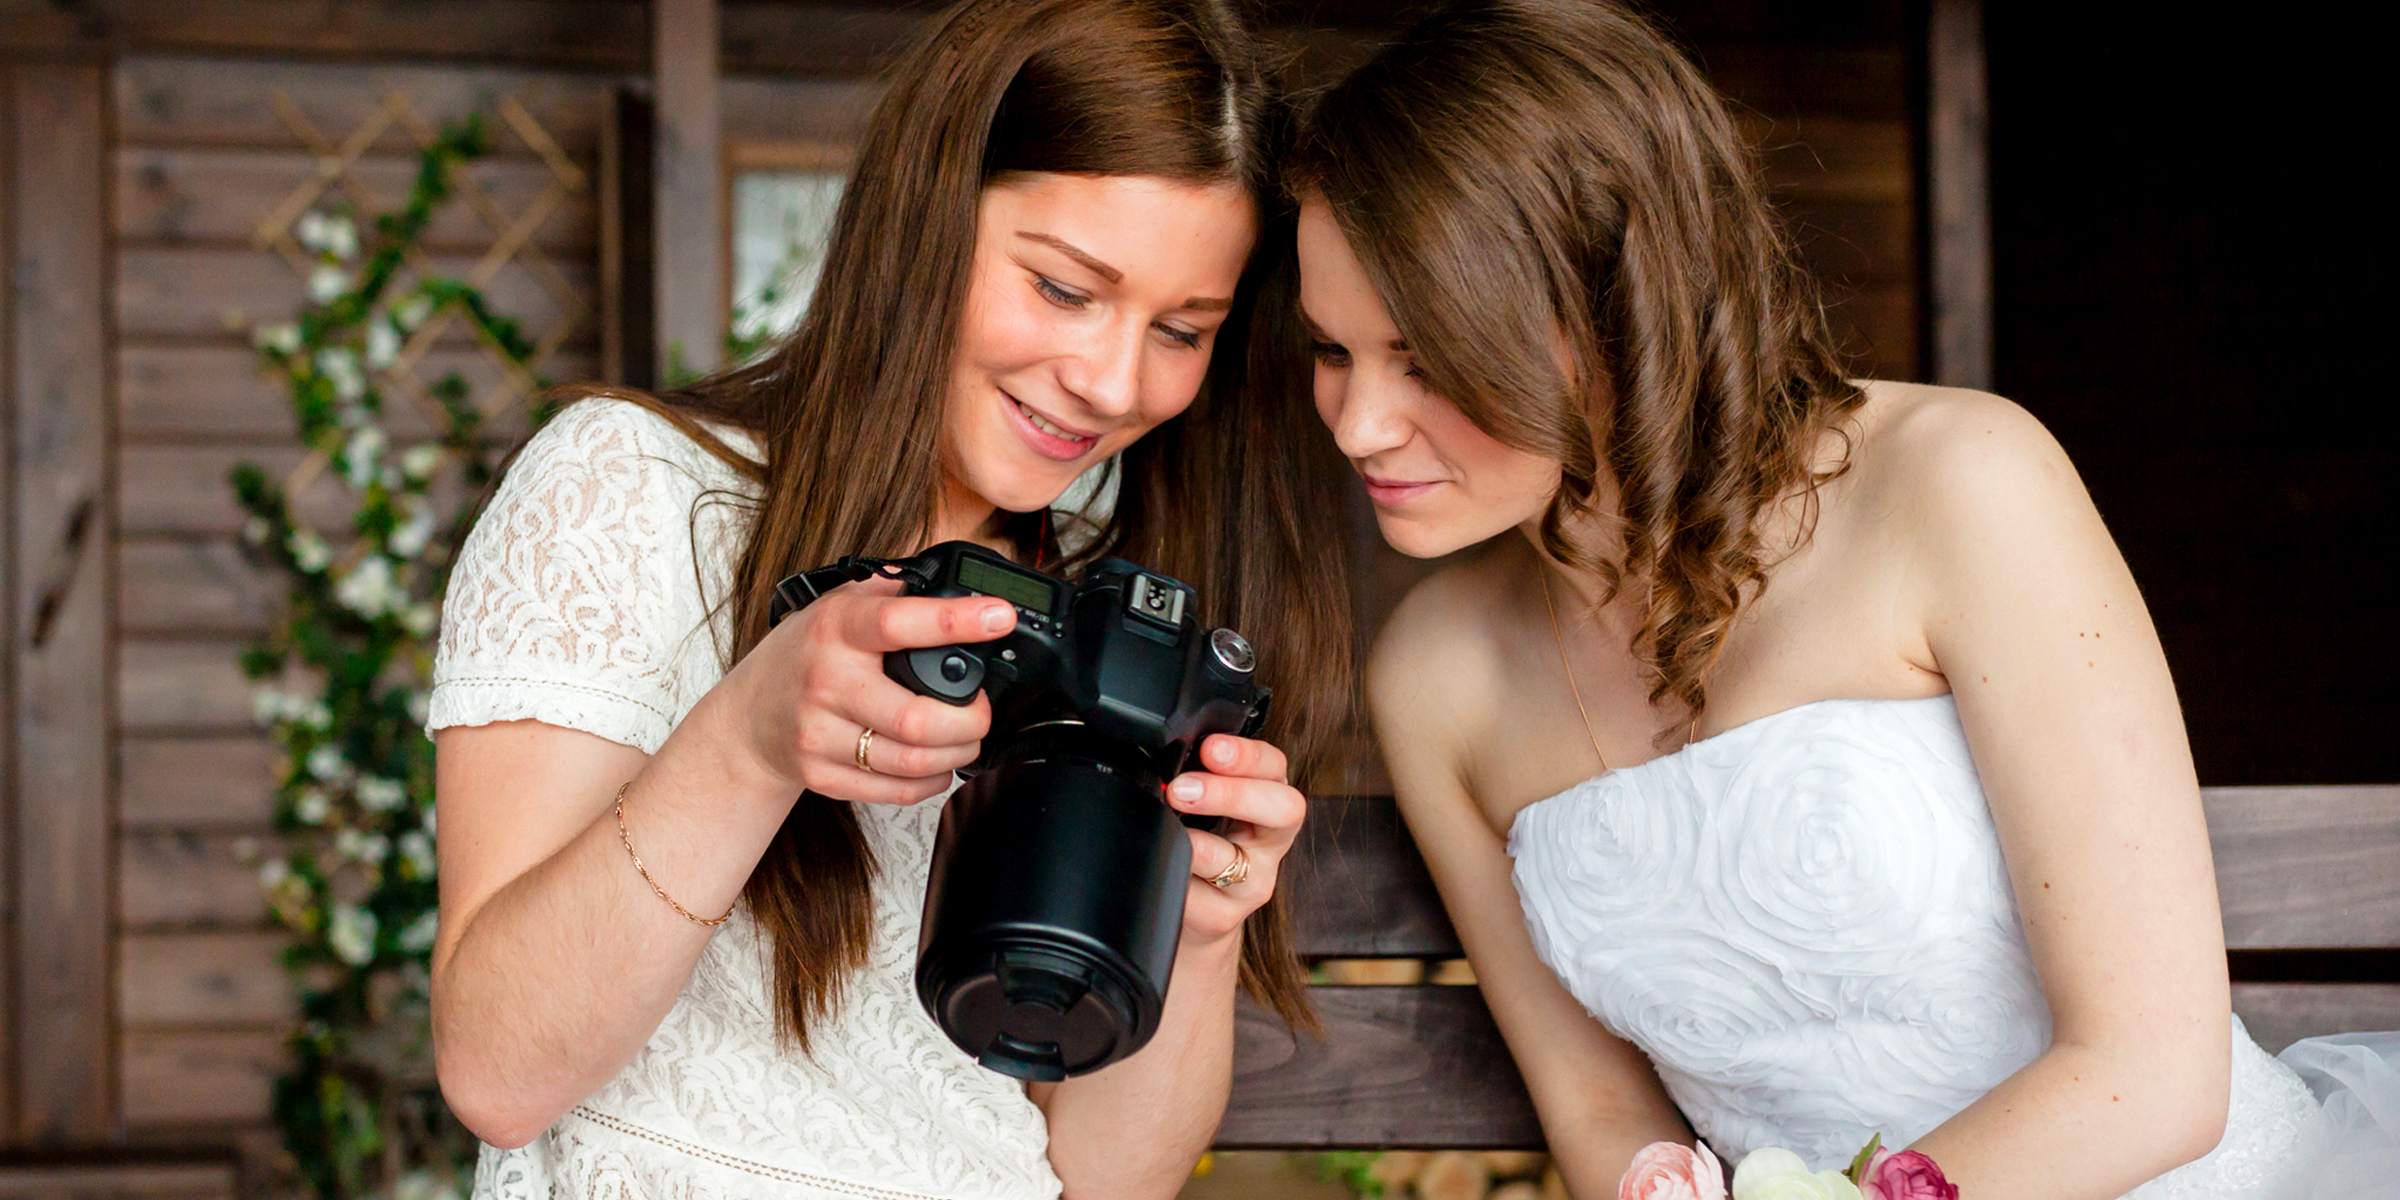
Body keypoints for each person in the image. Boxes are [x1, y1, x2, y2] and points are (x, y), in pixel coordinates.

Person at [1280, 2, 2397, 1197]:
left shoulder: (1962, 479)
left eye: (1426, 358)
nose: (1359, 424)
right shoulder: (1433, 676)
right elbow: (1596, 1100)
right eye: (1333, 351)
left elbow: (2153, 1074)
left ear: (1611, 306)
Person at [426, 1, 1353, 1196]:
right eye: (1066, 289)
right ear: (926, 219)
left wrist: (1206, 926)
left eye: (1181, 330)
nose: (1113, 382)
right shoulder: (633, 489)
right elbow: (498, 1074)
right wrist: (754, 738)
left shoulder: (1110, 623)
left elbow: (1110, 1185)